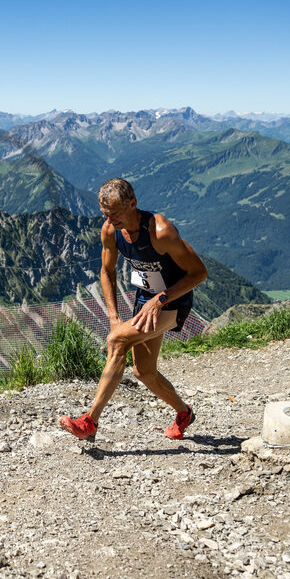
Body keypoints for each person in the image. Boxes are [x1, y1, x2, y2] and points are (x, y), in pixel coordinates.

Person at [59, 178, 207, 442]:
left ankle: (90, 421)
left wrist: (160, 299)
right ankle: (184, 413)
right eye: (105, 214)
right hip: (145, 300)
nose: (110, 220)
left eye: (115, 213)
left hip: (173, 301)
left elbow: (199, 273)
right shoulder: (110, 230)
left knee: (117, 341)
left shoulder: (161, 232)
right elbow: (107, 271)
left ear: (133, 203)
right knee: (144, 372)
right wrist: (113, 316)